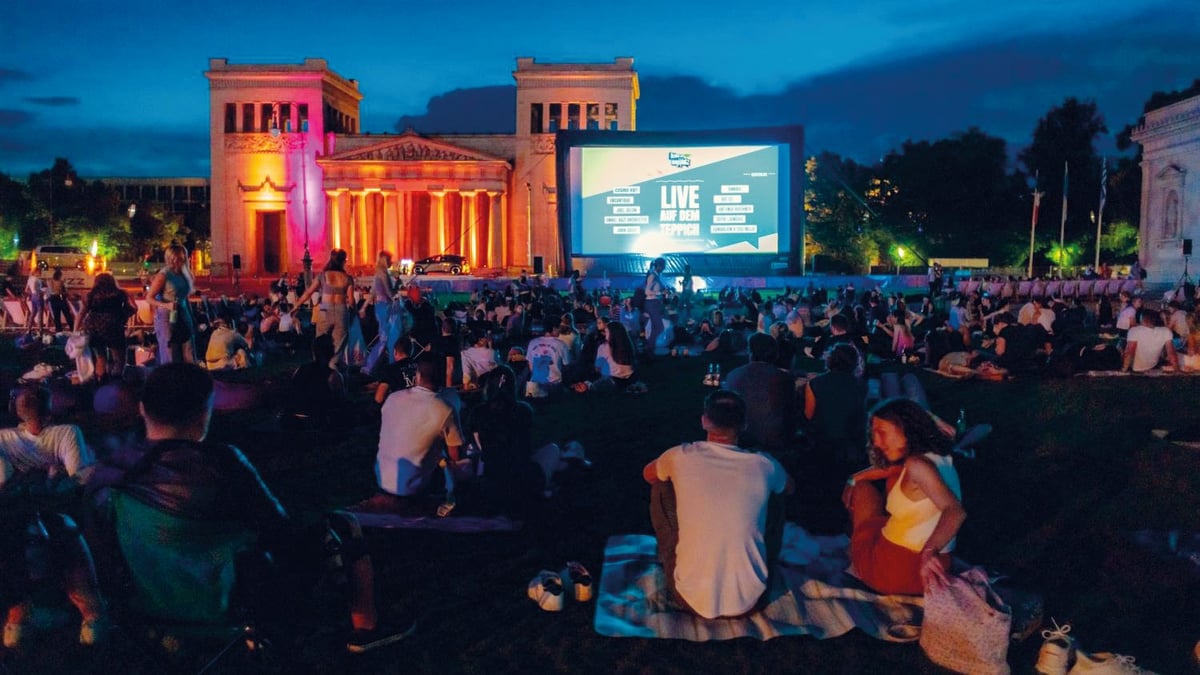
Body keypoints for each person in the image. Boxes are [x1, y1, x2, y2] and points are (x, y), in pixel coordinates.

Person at [86, 363, 412, 653]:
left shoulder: (111, 473)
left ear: (143, 409)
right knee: (343, 524)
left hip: (148, 604)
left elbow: (98, 549)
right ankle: (365, 629)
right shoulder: (221, 465)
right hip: (229, 602)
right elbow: (280, 533)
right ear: (205, 412)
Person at [643, 390, 794, 619]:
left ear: (704, 421)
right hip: (753, 600)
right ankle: (760, 563)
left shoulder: (680, 455)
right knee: (776, 492)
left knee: (661, 485)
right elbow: (791, 487)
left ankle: (675, 558)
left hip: (688, 598)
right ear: (743, 424)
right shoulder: (764, 463)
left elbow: (648, 473)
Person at [842, 398, 965, 595]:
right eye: (874, 435)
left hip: (896, 570)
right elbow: (889, 469)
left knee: (863, 491)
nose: (877, 443)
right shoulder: (939, 455)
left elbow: (955, 511)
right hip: (934, 571)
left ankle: (855, 547)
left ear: (907, 428)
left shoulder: (917, 465)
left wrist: (928, 553)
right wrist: (853, 477)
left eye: (882, 433)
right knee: (891, 478)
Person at [374, 359, 466, 498]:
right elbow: (456, 456)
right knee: (454, 464)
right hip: (414, 487)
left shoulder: (392, 398)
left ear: (417, 376)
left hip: (382, 478)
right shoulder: (444, 409)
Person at [722, 333, 795, 453]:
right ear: (775, 353)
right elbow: (789, 412)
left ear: (750, 352)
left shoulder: (733, 375)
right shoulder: (783, 378)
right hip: (774, 442)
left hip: (739, 440)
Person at [804, 343, 867, 468]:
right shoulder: (861, 385)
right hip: (849, 445)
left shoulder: (815, 383)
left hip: (821, 443)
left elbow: (808, 415)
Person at [74, 272, 136, 381]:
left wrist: (75, 331)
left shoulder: (91, 295)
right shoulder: (120, 294)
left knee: (100, 357)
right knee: (119, 359)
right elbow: (131, 309)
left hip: (94, 329)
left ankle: (101, 381)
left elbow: (81, 313)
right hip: (114, 329)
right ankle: (116, 381)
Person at [296, 249, 353, 364]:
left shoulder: (323, 276)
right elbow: (351, 301)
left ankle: (320, 369)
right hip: (341, 309)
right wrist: (354, 314)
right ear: (343, 261)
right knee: (338, 347)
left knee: (320, 342)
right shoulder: (347, 278)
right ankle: (333, 371)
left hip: (325, 308)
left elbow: (308, 292)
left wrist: (296, 306)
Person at [146, 244, 197, 364]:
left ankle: (191, 378)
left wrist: (191, 316)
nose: (177, 261)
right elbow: (149, 298)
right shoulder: (163, 275)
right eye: (174, 258)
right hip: (166, 315)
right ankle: (168, 378)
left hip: (183, 313)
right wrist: (166, 305)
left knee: (189, 348)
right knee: (169, 351)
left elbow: (185, 297)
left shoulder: (186, 274)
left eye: (180, 258)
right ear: (168, 259)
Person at [642, 257, 668, 359]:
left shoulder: (656, 276)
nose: (664, 268)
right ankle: (648, 347)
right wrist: (660, 292)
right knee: (659, 327)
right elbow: (647, 292)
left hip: (655, 303)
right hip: (651, 303)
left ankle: (649, 349)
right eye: (663, 266)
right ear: (659, 266)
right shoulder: (652, 276)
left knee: (655, 327)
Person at [47, 268, 73, 333]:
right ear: (59, 276)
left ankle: (58, 330)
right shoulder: (61, 282)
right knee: (67, 313)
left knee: (56, 315)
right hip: (60, 298)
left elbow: (49, 291)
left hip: (52, 298)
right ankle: (72, 327)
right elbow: (65, 291)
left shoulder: (49, 281)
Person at [24, 267, 47, 335]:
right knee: (40, 313)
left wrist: (32, 293)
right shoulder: (38, 280)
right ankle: (40, 330)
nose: (41, 274)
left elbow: (26, 290)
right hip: (38, 296)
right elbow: (40, 289)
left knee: (33, 313)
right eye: (40, 272)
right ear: (36, 272)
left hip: (33, 297)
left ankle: (28, 329)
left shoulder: (30, 279)